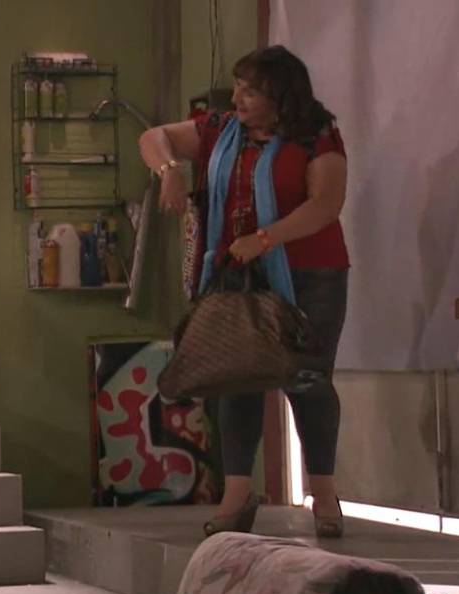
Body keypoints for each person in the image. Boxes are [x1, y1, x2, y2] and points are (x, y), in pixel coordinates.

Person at [139, 45, 349, 538]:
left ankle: (324, 493)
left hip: (308, 274)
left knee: (308, 379)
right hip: (235, 276)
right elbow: (154, 137)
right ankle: (237, 496)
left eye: (250, 91)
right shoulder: (220, 129)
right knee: (235, 378)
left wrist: (266, 238)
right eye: (237, 87)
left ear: (280, 96)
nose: (237, 98)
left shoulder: (316, 135)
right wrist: (169, 171)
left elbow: (326, 204)